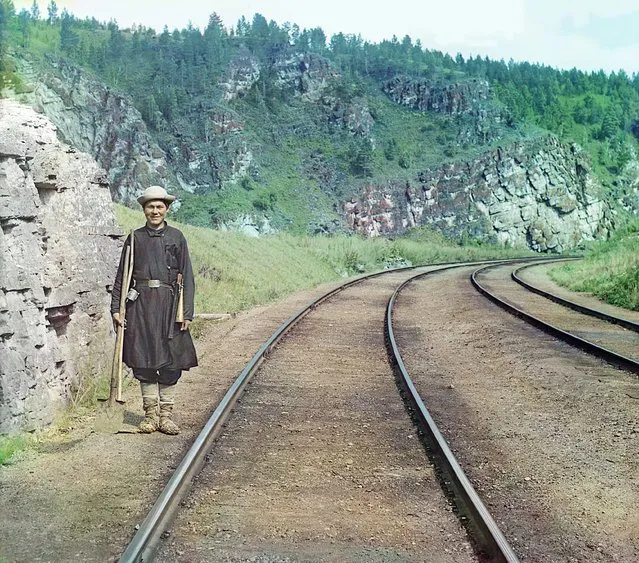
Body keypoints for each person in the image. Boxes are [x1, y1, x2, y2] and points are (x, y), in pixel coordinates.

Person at [111, 186, 198, 434]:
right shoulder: (134, 238)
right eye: (150, 206)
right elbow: (122, 277)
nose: (155, 211)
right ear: (144, 210)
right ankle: (149, 416)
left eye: (159, 206)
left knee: (172, 361)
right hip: (140, 307)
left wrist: (187, 312)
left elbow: (188, 276)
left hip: (170, 307)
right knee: (143, 359)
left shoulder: (177, 237)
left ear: (166, 209)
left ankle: (166, 416)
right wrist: (117, 308)